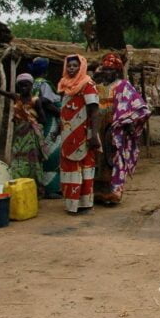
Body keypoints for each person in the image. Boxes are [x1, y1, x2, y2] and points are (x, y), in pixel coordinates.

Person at [93, 54, 151, 206]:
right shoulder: (96, 86)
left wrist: (128, 123)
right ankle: (98, 193)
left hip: (114, 129)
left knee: (113, 159)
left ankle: (113, 193)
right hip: (97, 127)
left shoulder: (123, 86)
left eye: (111, 70)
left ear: (117, 71)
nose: (107, 73)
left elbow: (137, 106)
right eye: (105, 69)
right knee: (98, 159)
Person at [58, 54, 100, 215]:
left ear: (81, 66)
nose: (71, 68)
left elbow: (95, 111)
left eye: (75, 65)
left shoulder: (87, 85)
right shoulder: (65, 85)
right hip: (67, 136)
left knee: (84, 169)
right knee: (69, 170)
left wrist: (94, 135)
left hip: (84, 135)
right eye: (69, 66)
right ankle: (71, 205)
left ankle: (84, 203)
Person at [29, 58, 63, 199]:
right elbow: (47, 103)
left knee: (46, 154)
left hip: (41, 123)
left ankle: (49, 186)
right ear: (46, 71)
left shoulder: (33, 85)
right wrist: (61, 113)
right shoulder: (44, 85)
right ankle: (52, 188)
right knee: (53, 155)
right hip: (50, 122)